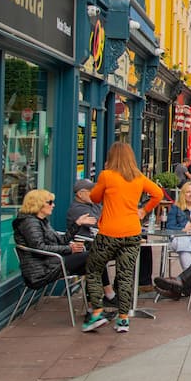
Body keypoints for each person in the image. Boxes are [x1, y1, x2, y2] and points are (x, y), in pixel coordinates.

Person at [82, 141, 163, 334]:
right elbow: (158, 194)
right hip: (132, 232)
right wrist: (143, 211)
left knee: (93, 270)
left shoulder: (106, 176)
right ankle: (123, 319)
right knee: (125, 276)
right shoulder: (138, 177)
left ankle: (97, 312)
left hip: (109, 233)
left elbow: (94, 197)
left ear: (112, 157)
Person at [13, 189, 117, 309]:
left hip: (51, 262)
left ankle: (97, 307)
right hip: (42, 269)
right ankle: (104, 301)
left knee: (95, 261)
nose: (53, 205)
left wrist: (77, 224)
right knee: (94, 257)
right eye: (50, 202)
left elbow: (61, 241)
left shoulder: (41, 221)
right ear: (38, 204)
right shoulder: (30, 223)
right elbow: (39, 248)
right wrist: (69, 249)